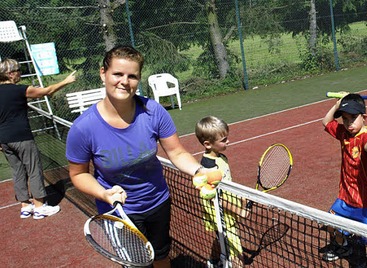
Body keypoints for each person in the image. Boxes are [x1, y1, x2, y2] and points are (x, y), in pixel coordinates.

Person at [66, 45, 204, 268]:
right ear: (103, 73)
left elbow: (177, 152)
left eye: (132, 76)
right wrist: (104, 193)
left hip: (158, 201)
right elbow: (78, 174)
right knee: (136, 265)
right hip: (119, 212)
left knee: (161, 257)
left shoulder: (154, 111)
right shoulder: (83, 129)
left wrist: (199, 171)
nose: (124, 81)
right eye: (117, 74)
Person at [321, 93, 367, 267]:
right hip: (345, 198)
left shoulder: (365, 137)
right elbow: (326, 122)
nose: (349, 123)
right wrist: (337, 105)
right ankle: (344, 246)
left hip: (366, 203)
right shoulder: (344, 133)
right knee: (329, 223)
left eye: (353, 118)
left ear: (364, 117)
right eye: (345, 118)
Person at [0, 58, 76, 219]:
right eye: (19, 70)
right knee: (34, 170)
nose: (20, 73)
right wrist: (66, 81)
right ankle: (40, 207)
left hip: (5, 140)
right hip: (22, 137)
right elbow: (47, 91)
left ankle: (25, 206)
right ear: (11, 73)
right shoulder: (20, 90)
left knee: (18, 171)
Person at [194, 116, 247, 267]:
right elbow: (216, 198)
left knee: (221, 238)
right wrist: (240, 211)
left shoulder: (221, 157)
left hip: (226, 209)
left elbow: (227, 183)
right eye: (223, 140)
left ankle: (215, 261)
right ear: (208, 144)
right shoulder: (209, 167)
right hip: (220, 212)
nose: (228, 142)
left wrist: (240, 197)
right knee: (237, 254)